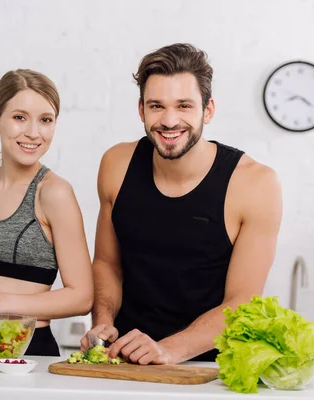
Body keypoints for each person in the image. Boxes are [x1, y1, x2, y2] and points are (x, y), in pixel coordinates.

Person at [81, 43, 283, 365]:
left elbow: (241, 301)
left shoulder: (255, 184)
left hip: (212, 369)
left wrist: (169, 349)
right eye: (157, 106)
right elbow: (107, 264)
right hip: (126, 362)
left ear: (208, 110)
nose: (169, 120)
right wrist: (103, 320)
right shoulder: (116, 164)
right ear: (141, 110)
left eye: (184, 105)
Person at [0, 69, 93, 356]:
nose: (33, 133)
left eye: (45, 120)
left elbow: (82, 297)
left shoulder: (54, 193)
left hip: (30, 350)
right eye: (19, 117)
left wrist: (1, 300)